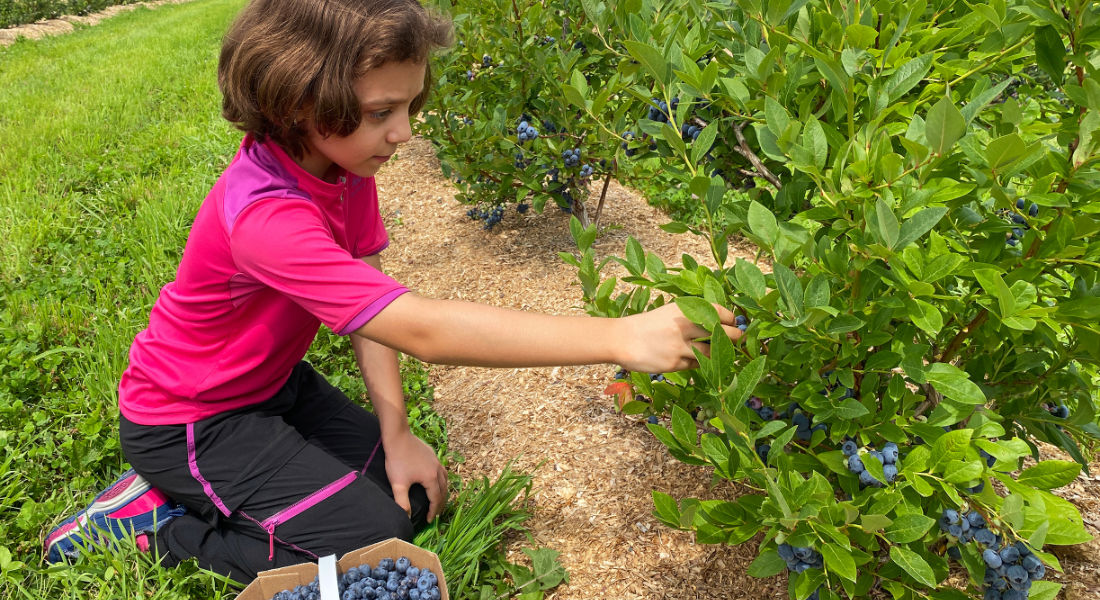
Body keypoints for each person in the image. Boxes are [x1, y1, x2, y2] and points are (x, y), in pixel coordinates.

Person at [43, 0, 742, 583]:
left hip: (271, 388)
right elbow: (422, 329)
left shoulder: (341, 166)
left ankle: (237, 500)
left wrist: (397, 430)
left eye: (409, 105)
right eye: (382, 112)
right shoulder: (264, 215)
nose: (404, 133)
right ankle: (150, 524)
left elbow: (369, 294)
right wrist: (619, 336)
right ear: (298, 100)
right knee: (372, 545)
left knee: (416, 503)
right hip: (190, 420)